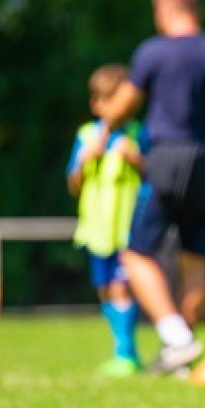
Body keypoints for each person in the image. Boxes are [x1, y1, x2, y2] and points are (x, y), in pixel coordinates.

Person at [99, 0, 205, 375]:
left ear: (164, 9)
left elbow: (122, 107)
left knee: (136, 254)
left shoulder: (153, 52)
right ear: (198, 10)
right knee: (196, 261)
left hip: (167, 156)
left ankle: (177, 338)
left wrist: (104, 122)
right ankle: (181, 362)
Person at [66, 64, 150, 377]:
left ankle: (127, 353)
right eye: (108, 100)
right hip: (95, 229)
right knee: (104, 290)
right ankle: (121, 348)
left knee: (120, 288)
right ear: (96, 104)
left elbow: (156, 176)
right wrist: (85, 160)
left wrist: (138, 160)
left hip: (128, 228)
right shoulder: (85, 136)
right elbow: (73, 184)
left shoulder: (138, 134)